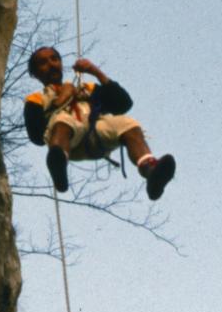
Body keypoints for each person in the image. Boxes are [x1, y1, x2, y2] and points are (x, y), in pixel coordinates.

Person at [23, 46, 176, 200]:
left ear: (61, 63)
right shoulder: (36, 100)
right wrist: (61, 100)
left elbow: (123, 104)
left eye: (54, 59)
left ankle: (150, 170)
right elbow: (36, 136)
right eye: (43, 62)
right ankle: (58, 164)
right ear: (35, 73)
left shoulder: (86, 89)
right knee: (64, 119)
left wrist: (95, 71)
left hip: (95, 136)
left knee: (126, 122)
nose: (50, 64)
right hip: (69, 144)